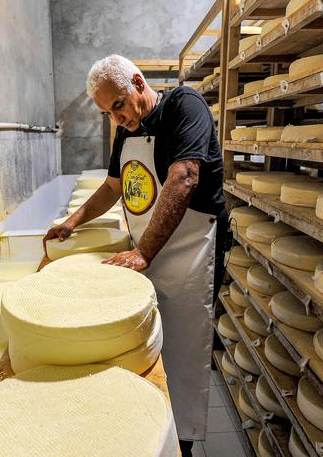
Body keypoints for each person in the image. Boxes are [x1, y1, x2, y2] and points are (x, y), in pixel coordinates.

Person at [44, 55, 229, 457]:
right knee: (148, 346)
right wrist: (72, 222)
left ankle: (180, 443)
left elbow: (184, 178)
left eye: (118, 105)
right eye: (106, 112)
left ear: (138, 83)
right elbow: (112, 188)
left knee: (182, 349)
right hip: (149, 251)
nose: (116, 117)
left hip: (190, 254)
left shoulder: (185, 107)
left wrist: (144, 251)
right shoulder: (127, 131)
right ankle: (145, 430)